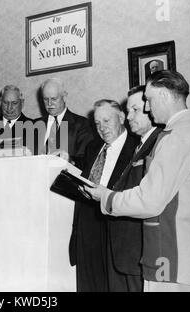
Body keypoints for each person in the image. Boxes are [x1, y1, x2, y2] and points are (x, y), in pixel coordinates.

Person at [86, 70, 190, 292]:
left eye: (149, 100)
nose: (148, 108)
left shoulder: (177, 137)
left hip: (172, 256)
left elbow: (149, 201)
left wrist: (106, 197)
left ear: (163, 96)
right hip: (189, 255)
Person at [69, 99, 138, 292]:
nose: (102, 128)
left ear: (122, 117)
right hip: (87, 230)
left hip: (116, 230)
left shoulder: (136, 148)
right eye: (98, 124)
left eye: (107, 121)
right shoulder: (93, 147)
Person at [107, 86, 162, 292]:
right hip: (129, 251)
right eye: (128, 110)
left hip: (142, 250)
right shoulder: (139, 145)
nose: (128, 116)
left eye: (135, 110)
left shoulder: (159, 142)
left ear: (151, 108)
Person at [35, 78, 93, 167]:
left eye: (54, 99)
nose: (49, 104)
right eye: (46, 99)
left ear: (64, 97)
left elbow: (87, 162)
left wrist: (69, 160)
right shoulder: (34, 125)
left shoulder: (82, 124)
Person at [0, 84, 33, 152]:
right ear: (0, 102)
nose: (9, 108)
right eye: (5, 103)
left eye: (14, 103)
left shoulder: (33, 127)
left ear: (22, 103)